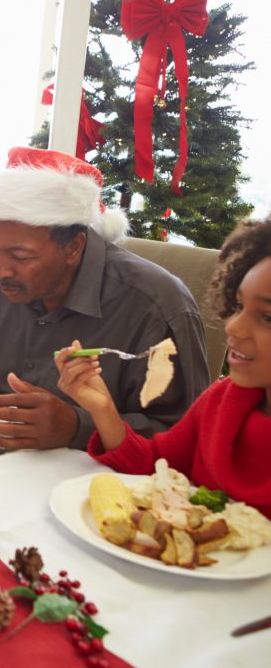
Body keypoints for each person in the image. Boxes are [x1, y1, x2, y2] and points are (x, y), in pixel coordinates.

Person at [0, 147, 211, 450]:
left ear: (74, 247)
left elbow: (182, 437)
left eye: (21, 256)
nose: (0, 270)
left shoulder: (154, 306)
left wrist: (77, 427)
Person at [55, 215, 271, 517]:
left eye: (267, 317)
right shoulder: (222, 401)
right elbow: (154, 465)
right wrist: (103, 409)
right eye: (238, 306)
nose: (234, 327)